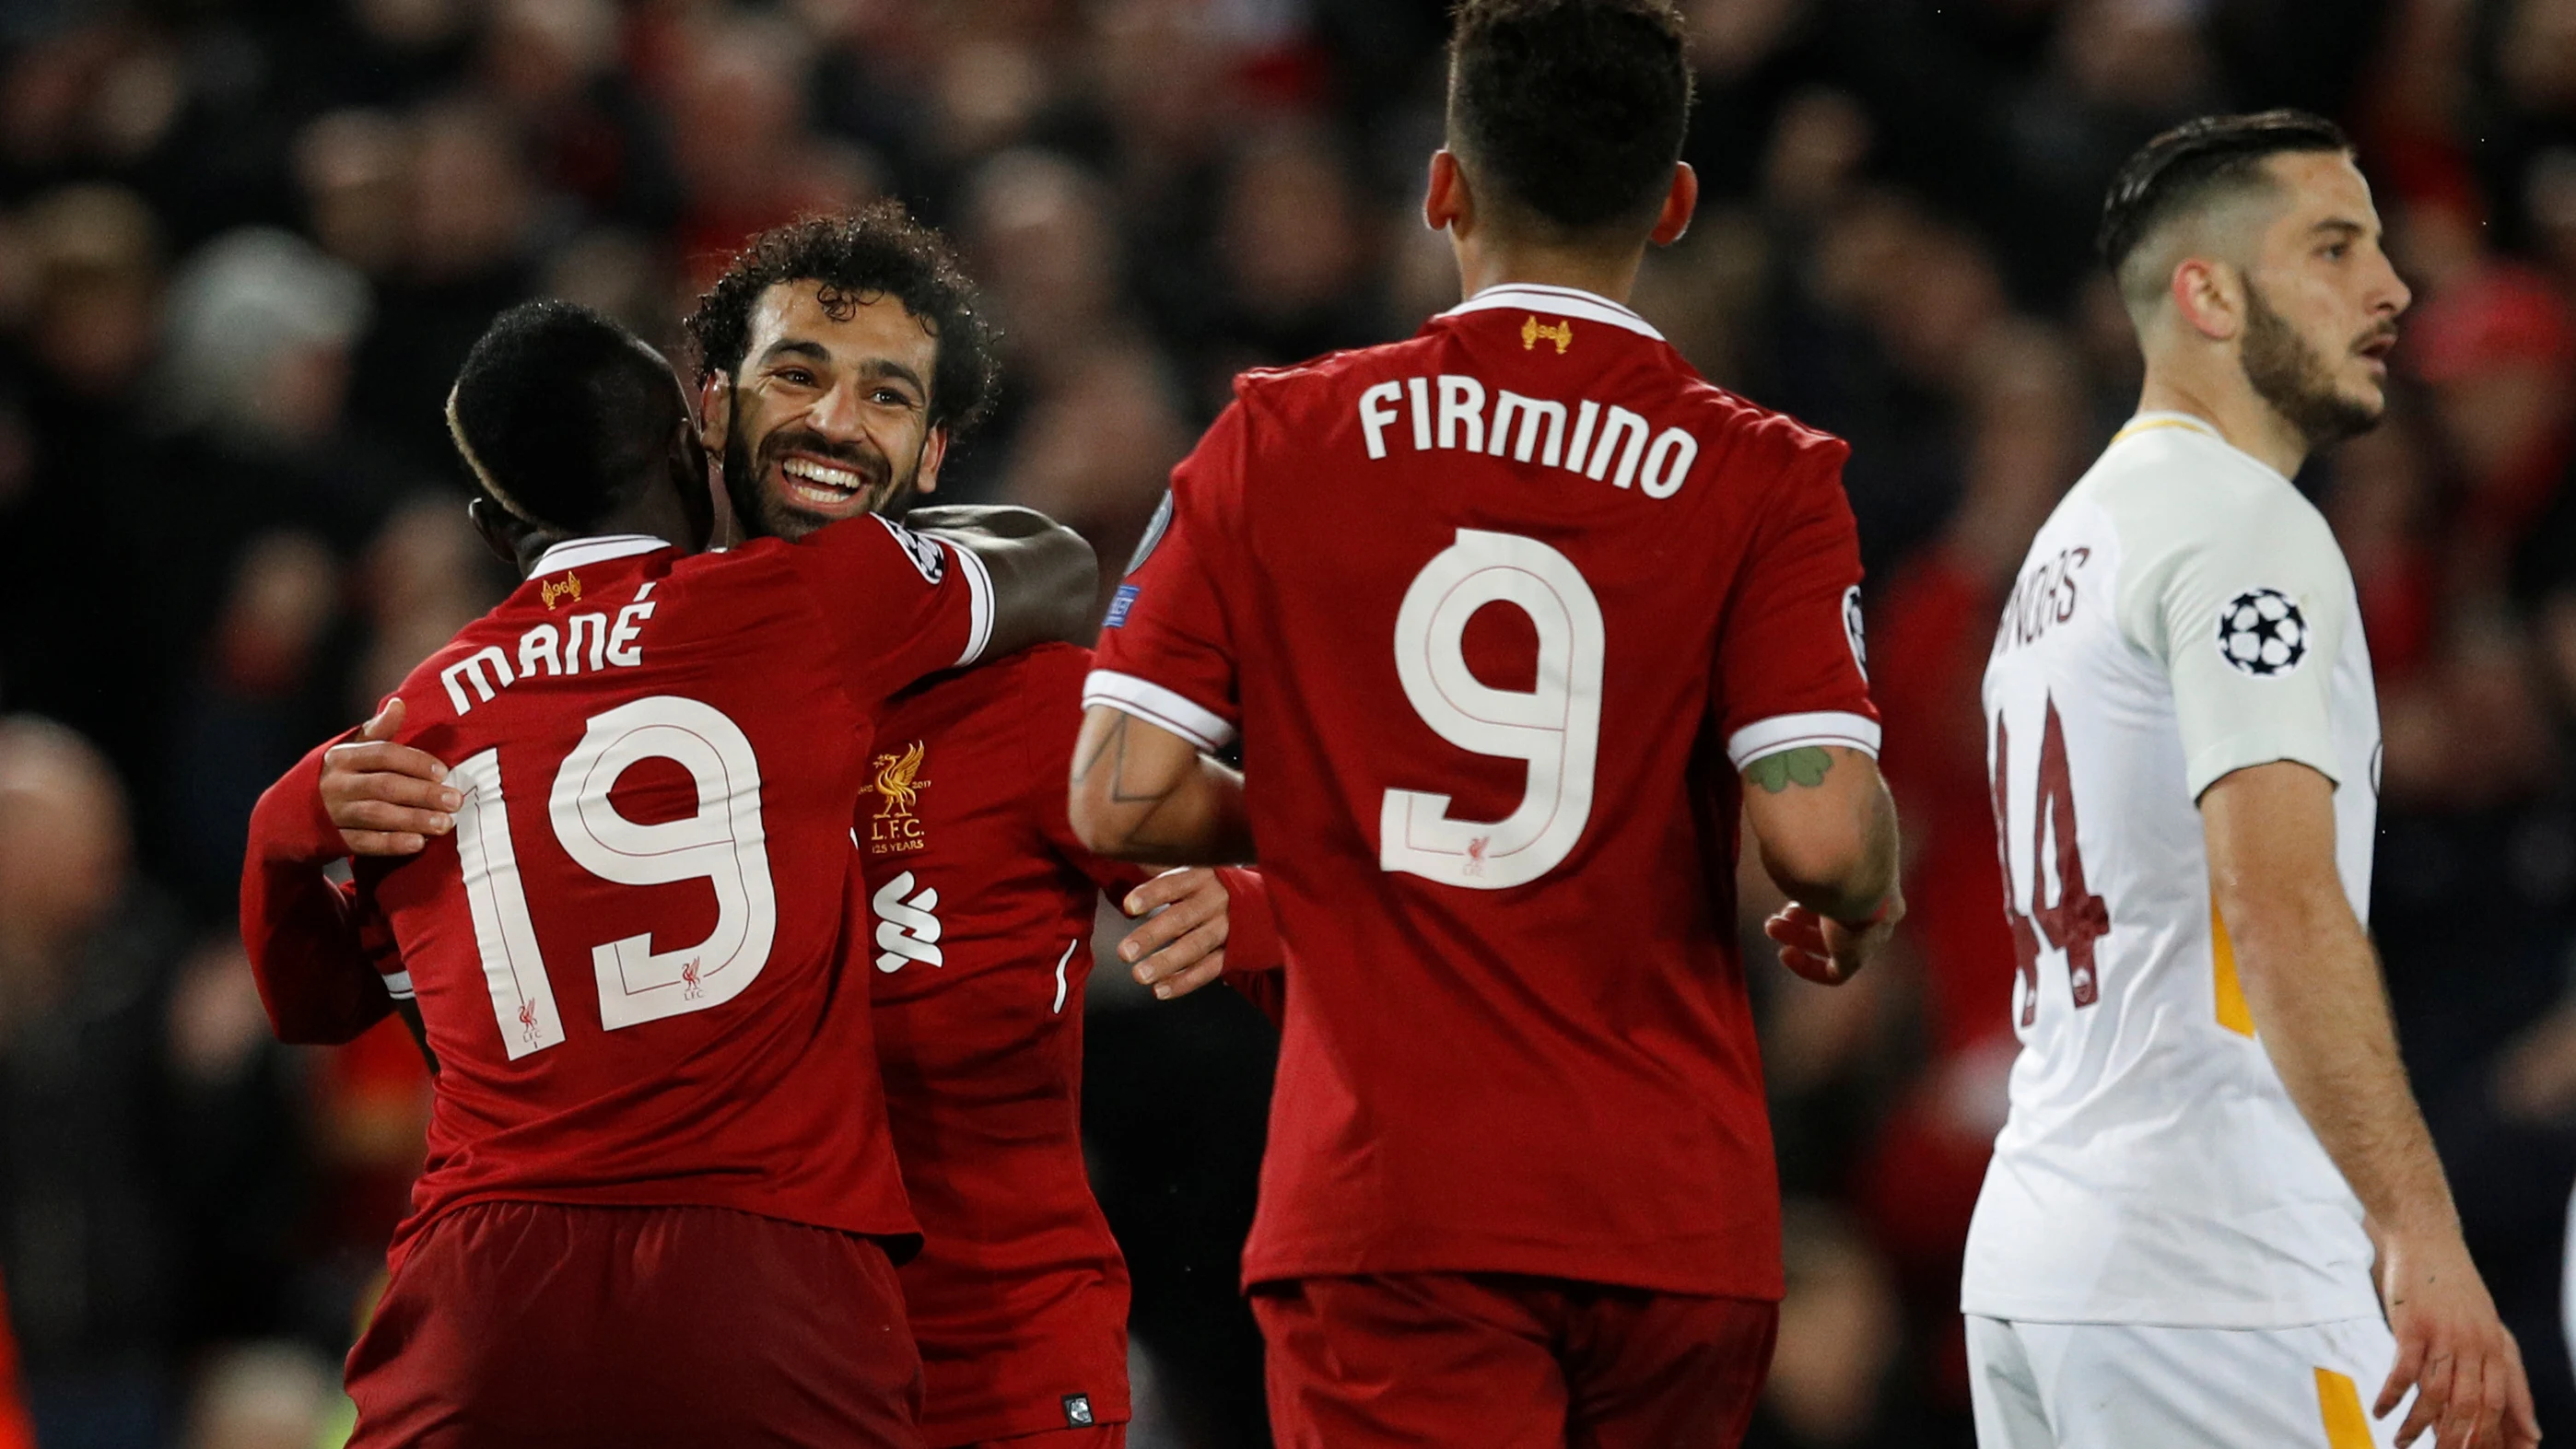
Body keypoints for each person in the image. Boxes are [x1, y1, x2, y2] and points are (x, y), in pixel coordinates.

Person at [262, 208, 1281, 1449]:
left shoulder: (1030, 701)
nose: (838, 423)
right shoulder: (535, 733)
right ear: (707, 411)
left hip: (985, 1381)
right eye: (798, 373)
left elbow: (1330, 920)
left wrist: (1257, 913)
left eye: (890, 396)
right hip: (703, 1359)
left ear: (937, 453)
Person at [1065, 3, 1903, 1445]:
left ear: (1444, 186)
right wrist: (1866, 898)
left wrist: (1350, 816)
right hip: (1673, 1226)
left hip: (1398, 1211)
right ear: (1676, 202)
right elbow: (1823, 840)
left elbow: (1119, 798)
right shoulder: (1766, 476)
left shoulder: (1276, 436)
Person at [1961, 111, 2540, 1449]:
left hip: (2044, 1257)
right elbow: (2275, 899)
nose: (2390, 287)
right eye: (2334, 247)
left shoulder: (2066, 551)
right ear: (2206, 293)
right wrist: (2422, 1241)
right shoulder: (2243, 527)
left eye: (2383, 247)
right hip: (2215, 1268)